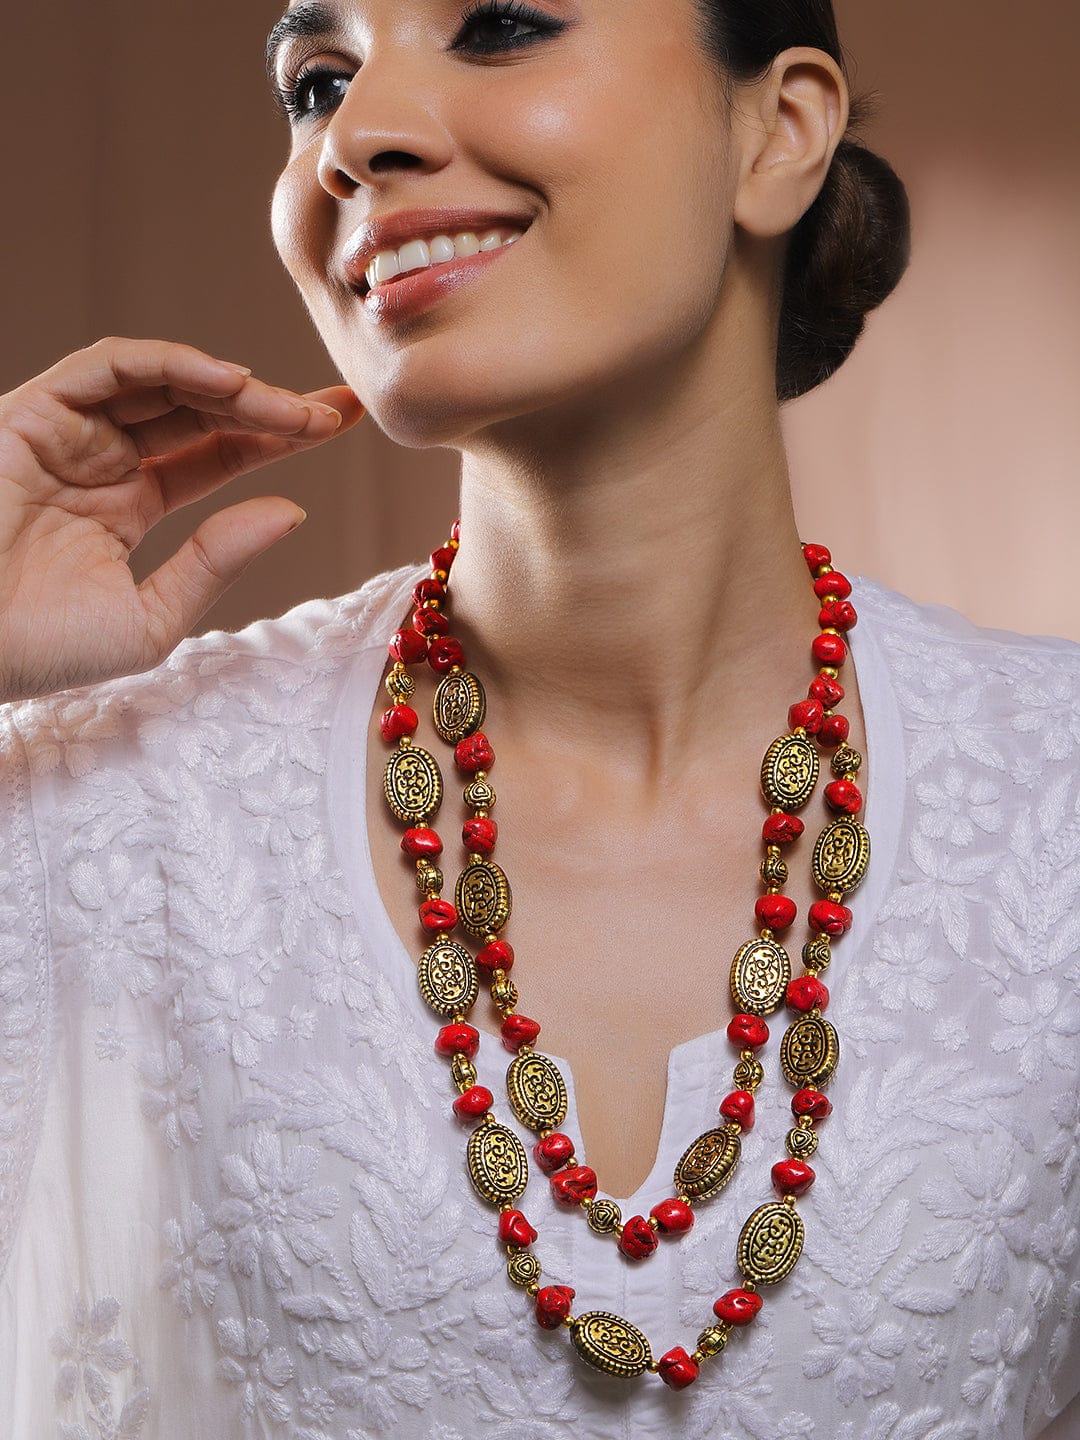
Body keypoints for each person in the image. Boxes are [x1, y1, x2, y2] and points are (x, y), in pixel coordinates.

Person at [1, 0, 1077, 1434]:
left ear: (781, 131)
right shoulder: (94, 809)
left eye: (500, 24)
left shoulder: (1057, 806)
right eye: (317, 81)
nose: (355, 137)